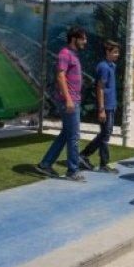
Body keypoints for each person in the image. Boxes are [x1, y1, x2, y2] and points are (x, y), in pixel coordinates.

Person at [35, 26, 88, 182]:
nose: (85, 41)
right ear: (74, 39)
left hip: (73, 100)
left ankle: (45, 164)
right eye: (83, 38)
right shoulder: (65, 54)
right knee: (74, 136)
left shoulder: (74, 54)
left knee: (66, 134)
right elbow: (60, 77)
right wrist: (69, 99)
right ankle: (73, 171)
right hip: (69, 101)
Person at [78, 40, 121, 173]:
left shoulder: (112, 66)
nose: (117, 54)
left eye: (118, 52)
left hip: (111, 106)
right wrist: (101, 109)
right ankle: (102, 163)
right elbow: (100, 88)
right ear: (107, 52)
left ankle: (83, 156)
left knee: (105, 134)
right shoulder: (103, 67)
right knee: (105, 135)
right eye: (115, 52)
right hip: (105, 107)